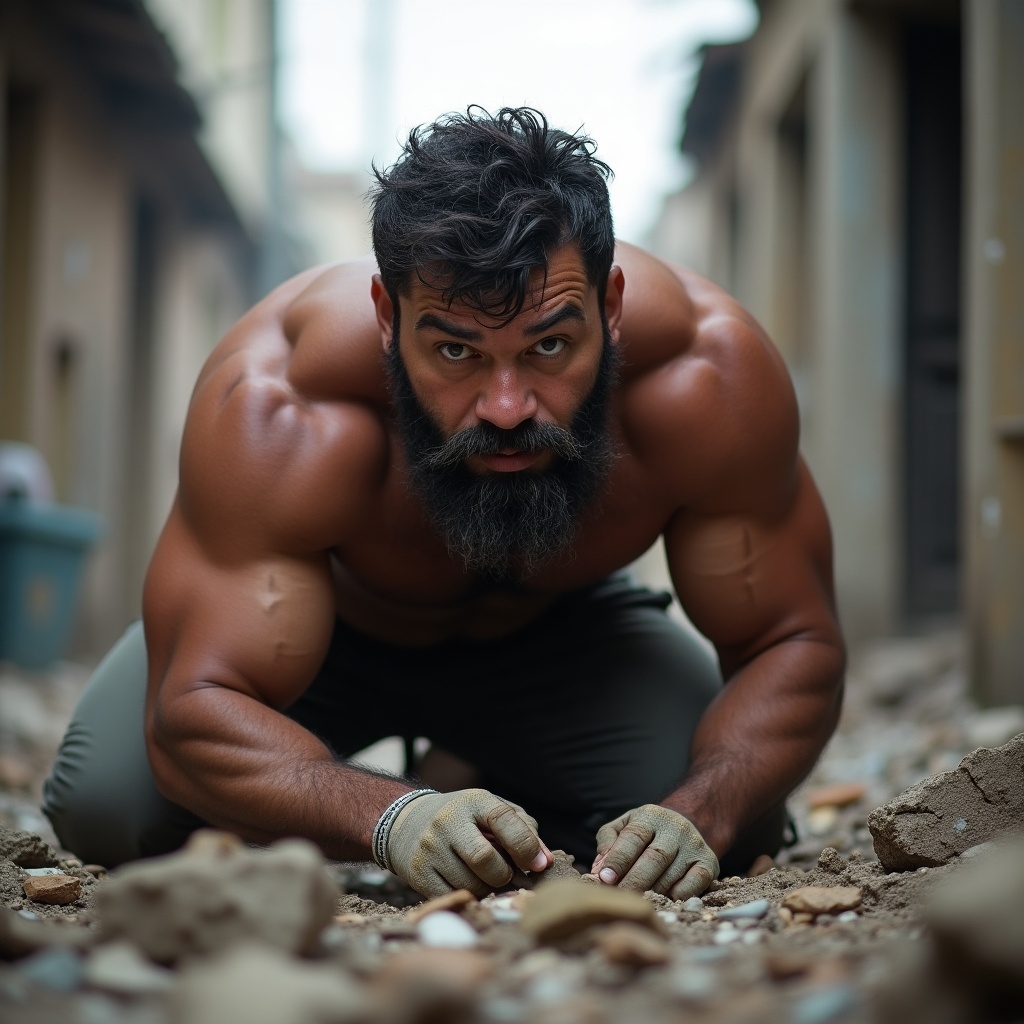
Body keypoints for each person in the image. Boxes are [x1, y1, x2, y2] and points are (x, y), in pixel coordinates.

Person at [43, 107, 845, 901]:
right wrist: (391, 815)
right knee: (109, 809)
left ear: (613, 306)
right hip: (325, 642)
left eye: (549, 347)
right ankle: (454, 791)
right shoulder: (284, 405)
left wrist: (697, 810)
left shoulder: (706, 381)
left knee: (733, 828)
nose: (505, 406)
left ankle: (489, 773)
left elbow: (792, 641)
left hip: (563, 641)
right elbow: (192, 716)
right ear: (388, 319)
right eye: (456, 350)